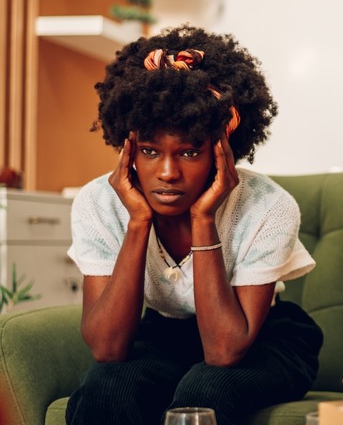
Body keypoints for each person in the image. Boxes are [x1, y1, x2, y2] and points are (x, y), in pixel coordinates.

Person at [65, 25, 323, 425]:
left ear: (222, 150)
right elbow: (107, 348)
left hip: (262, 338)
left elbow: (223, 352)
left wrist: (204, 218)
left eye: (189, 151)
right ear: (128, 147)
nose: (167, 172)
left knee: (206, 391)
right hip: (166, 333)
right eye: (150, 151)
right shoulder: (98, 203)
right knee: (107, 389)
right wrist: (138, 223)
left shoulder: (268, 207)